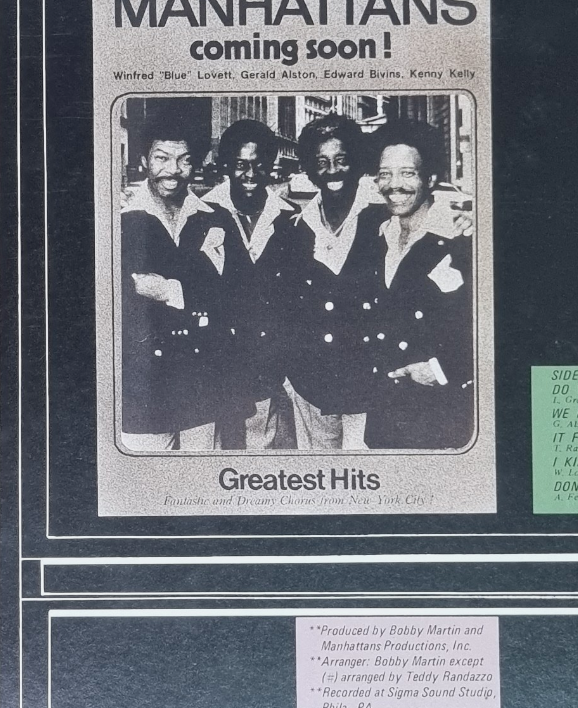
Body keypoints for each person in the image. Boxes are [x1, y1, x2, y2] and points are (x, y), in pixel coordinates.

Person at [361, 121, 474, 451]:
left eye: (408, 173)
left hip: (440, 415)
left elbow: (488, 324)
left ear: (431, 178)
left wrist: (440, 370)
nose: (394, 185)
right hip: (386, 414)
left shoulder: (461, 238)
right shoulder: (379, 235)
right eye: (385, 174)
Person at [117, 108, 223, 452]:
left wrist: (165, 289)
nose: (173, 170)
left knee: (200, 476)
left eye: (184, 160)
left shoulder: (212, 218)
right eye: (161, 158)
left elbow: (227, 293)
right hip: (142, 385)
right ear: (143, 160)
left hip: (200, 381)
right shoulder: (119, 218)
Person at [280, 114, 383, 452]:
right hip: (311, 383)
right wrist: (291, 374)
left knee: (362, 473)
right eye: (321, 162)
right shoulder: (297, 226)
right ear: (310, 169)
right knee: (317, 472)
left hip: (369, 384)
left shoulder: (382, 220)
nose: (333, 170)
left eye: (342, 160)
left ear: (357, 162)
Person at [200, 118, 298, 450]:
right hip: (214, 358)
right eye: (241, 165)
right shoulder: (202, 212)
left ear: (271, 166)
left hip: (265, 360)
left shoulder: (288, 216)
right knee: (215, 449)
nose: (251, 174)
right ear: (227, 166)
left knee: (260, 447)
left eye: (259, 165)